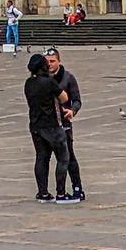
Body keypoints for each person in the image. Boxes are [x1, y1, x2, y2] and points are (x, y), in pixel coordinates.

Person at [23, 53, 70, 202]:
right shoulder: (49, 82)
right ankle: (61, 193)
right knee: (63, 158)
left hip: (35, 125)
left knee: (41, 158)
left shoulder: (28, 83)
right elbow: (64, 98)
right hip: (52, 125)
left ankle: (43, 193)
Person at [43, 48, 85, 202]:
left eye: (52, 61)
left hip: (64, 124)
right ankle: (44, 191)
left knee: (69, 157)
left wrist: (72, 111)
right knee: (44, 158)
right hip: (46, 125)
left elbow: (77, 99)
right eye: (46, 61)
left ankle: (77, 187)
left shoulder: (68, 78)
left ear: (59, 61)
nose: (49, 65)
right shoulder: (41, 77)